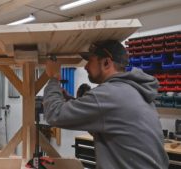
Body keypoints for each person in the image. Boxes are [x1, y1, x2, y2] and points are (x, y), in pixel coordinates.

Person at [43, 40, 169, 169]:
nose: (86, 67)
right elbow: (105, 122)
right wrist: (69, 100)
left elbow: (54, 114)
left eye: (90, 61)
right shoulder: (133, 90)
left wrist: (54, 77)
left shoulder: (108, 94)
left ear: (106, 62)